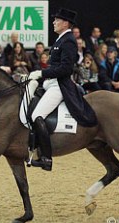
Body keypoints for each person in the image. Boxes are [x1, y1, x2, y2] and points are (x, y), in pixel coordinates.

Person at [27, 8, 97, 171]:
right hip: (50, 83)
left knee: (37, 115)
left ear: (65, 23)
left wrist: (41, 72)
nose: (53, 22)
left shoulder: (69, 40)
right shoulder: (60, 39)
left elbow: (65, 69)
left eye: (56, 20)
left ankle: (46, 158)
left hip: (59, 85)